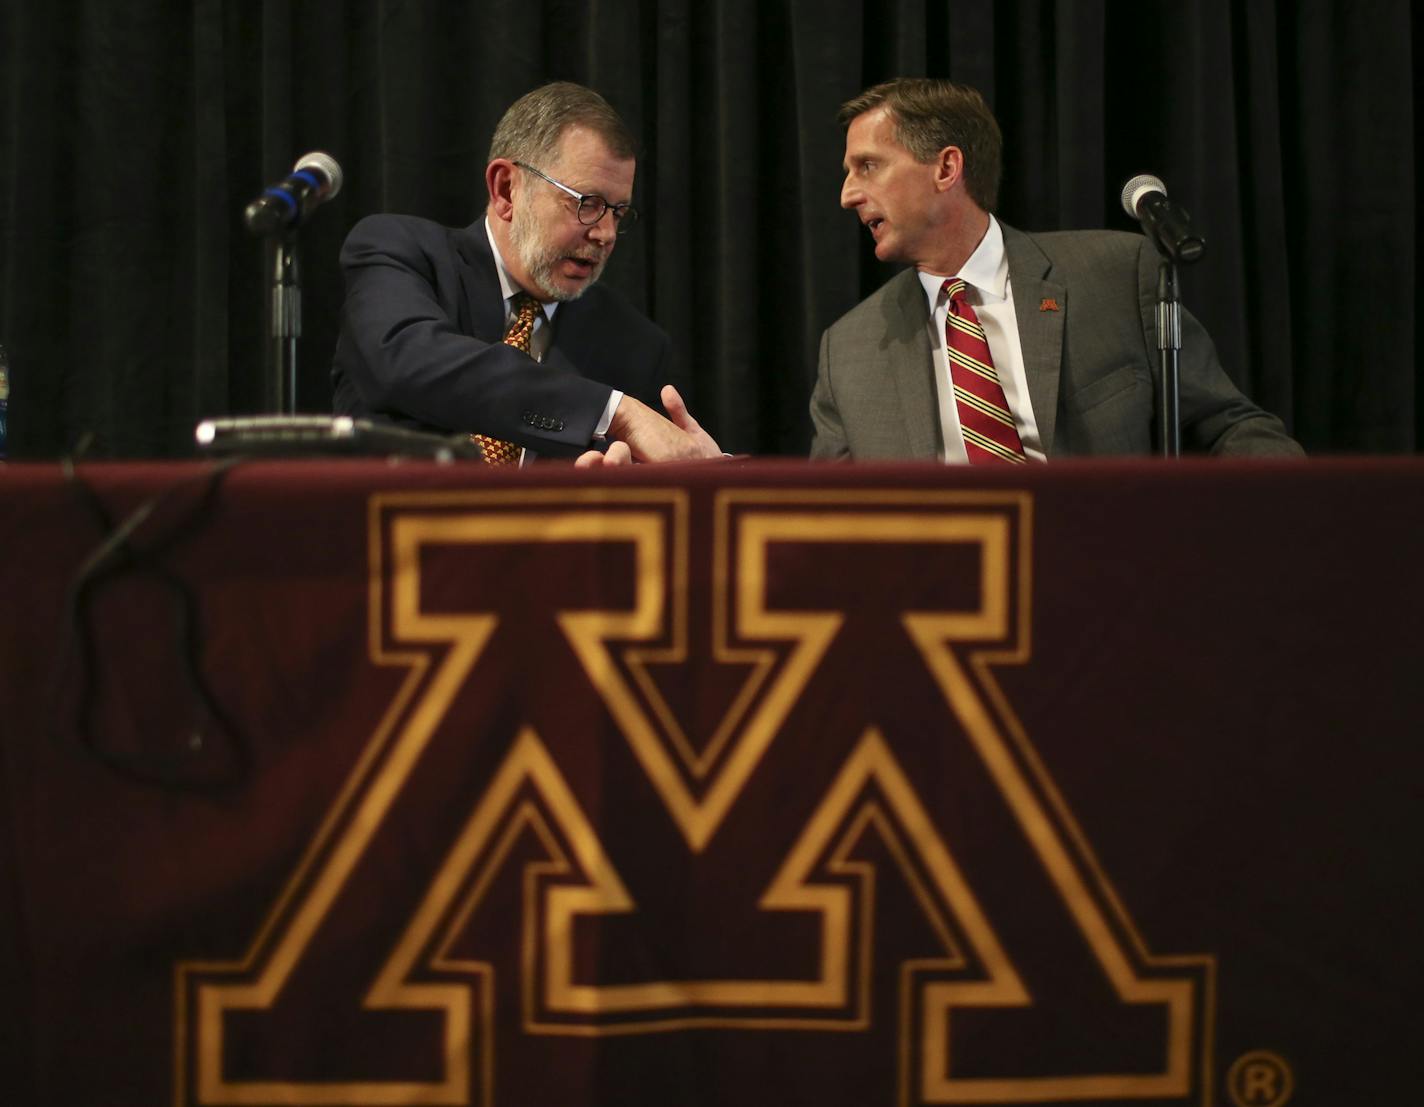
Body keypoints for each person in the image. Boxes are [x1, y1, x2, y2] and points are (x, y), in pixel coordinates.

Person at [811, 78, 1304, 461]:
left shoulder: (1115, 274)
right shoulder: (849, 351)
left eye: (868, 166)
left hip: (1112, 575)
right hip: (950, 586)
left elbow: (1229, 428)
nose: (848, 194)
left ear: (946, 169)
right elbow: (826, 517)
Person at [332, 81, 721, 467]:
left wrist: (698, 472)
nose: (605, 234)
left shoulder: (634, 345)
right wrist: (612, 411)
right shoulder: (400, 253)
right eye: (588, 203)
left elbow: (656, 483)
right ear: (506, 190)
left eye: (618, 212)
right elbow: (406, 361)